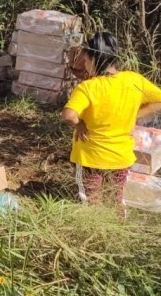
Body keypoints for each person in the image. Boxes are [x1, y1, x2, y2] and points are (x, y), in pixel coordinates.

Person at [62, 32, 161, 215]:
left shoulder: (88, 87)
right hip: (121, 156)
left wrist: (80, 125)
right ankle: (119, 219)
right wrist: (135, 116)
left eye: (85, 59)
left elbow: (68, 114)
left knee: (91, 199)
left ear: (92, 58)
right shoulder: (134, 80)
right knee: (116, 196)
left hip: (90, 156)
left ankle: (94, 225)